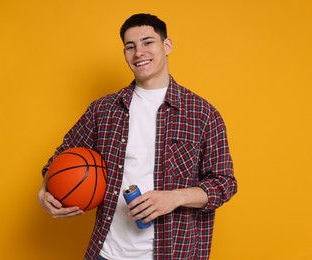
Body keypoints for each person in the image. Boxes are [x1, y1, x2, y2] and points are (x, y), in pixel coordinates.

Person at [38, 13, 237, 260]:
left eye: (147, 42)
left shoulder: (203, 114)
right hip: (107, 253)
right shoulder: (104, 109)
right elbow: (61, 157)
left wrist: (175, 198)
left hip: (174, 253)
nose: (138, 52)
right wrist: (44, 191)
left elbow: (224, 183)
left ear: (167, 46)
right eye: (130, 47)